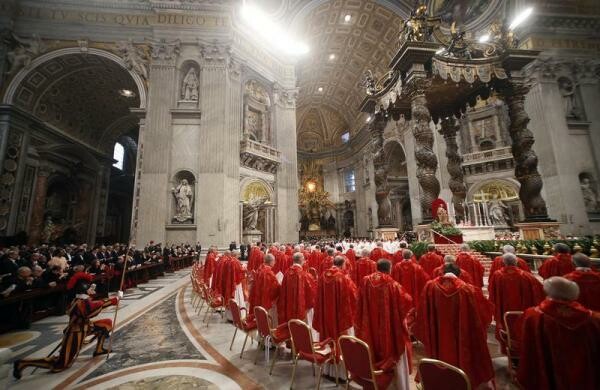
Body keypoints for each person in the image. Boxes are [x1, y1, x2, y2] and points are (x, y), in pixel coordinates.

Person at [13, 272, 122, 379]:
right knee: (61, 364)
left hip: (85, 327)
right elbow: (96, 306)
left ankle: (98, 349)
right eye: (90, 287)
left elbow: (94, 303)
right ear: (83, 288)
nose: (93, 289)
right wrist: (115, 299)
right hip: (76, 332)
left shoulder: (81, 300)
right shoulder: (81, 303)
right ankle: (23, 363)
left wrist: (113, 299)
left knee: (105, 324)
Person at [415, 262, 495, 390]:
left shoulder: (430, 287)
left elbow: (422, 313)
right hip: (462, 337)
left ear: (442, 273)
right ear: (459, 274)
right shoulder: (468, 289)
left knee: (439, 355)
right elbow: (484, 314)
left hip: (439, 336)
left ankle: (439, 380)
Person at [517, 277, 600, 390]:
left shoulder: (533, 316)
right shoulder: (593, 318)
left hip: (548, 374)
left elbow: (526, 346)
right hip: (586, 374)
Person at [356, 259, 413, 389]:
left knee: (371, 344)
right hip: (388, 327)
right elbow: (407, 301)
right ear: (389, 269)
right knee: (394, 344)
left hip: (369, 325)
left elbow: (358, 300)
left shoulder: (365, 281)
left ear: (377, 267)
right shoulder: (392, 284)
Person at [487, 253, 544, 352]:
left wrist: (494, 307)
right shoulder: (527, 276)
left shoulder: (497, 275)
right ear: (517, 262)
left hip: (504, 310)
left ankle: (509, 351)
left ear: (503, 262)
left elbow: (492, 293)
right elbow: (539, 292)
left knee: (506, 328)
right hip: (523, 311)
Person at [313, 256, 357, 341]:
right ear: (342, 265)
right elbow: (352, 294)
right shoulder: (343, 277)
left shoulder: (323, 275)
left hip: (325, 310)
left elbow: (318, 294)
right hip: (338, 311)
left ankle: (327, 343)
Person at [277, 252, 317, 328]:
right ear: (301, 260)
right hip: (302, 307)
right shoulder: (304, 274)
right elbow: (311, 292)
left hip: (289, 305)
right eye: (304, 260)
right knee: (305, 325)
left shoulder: (287, 273)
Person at [246, 254, 280, 327]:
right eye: (274, 261)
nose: (275, 262)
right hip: (266, 301)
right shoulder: (269, 273)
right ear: (270, 262)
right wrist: (280, 286)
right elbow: (274, 289)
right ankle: (269, 330)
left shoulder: (260, 268)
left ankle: (262, 330)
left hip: (258, 298)